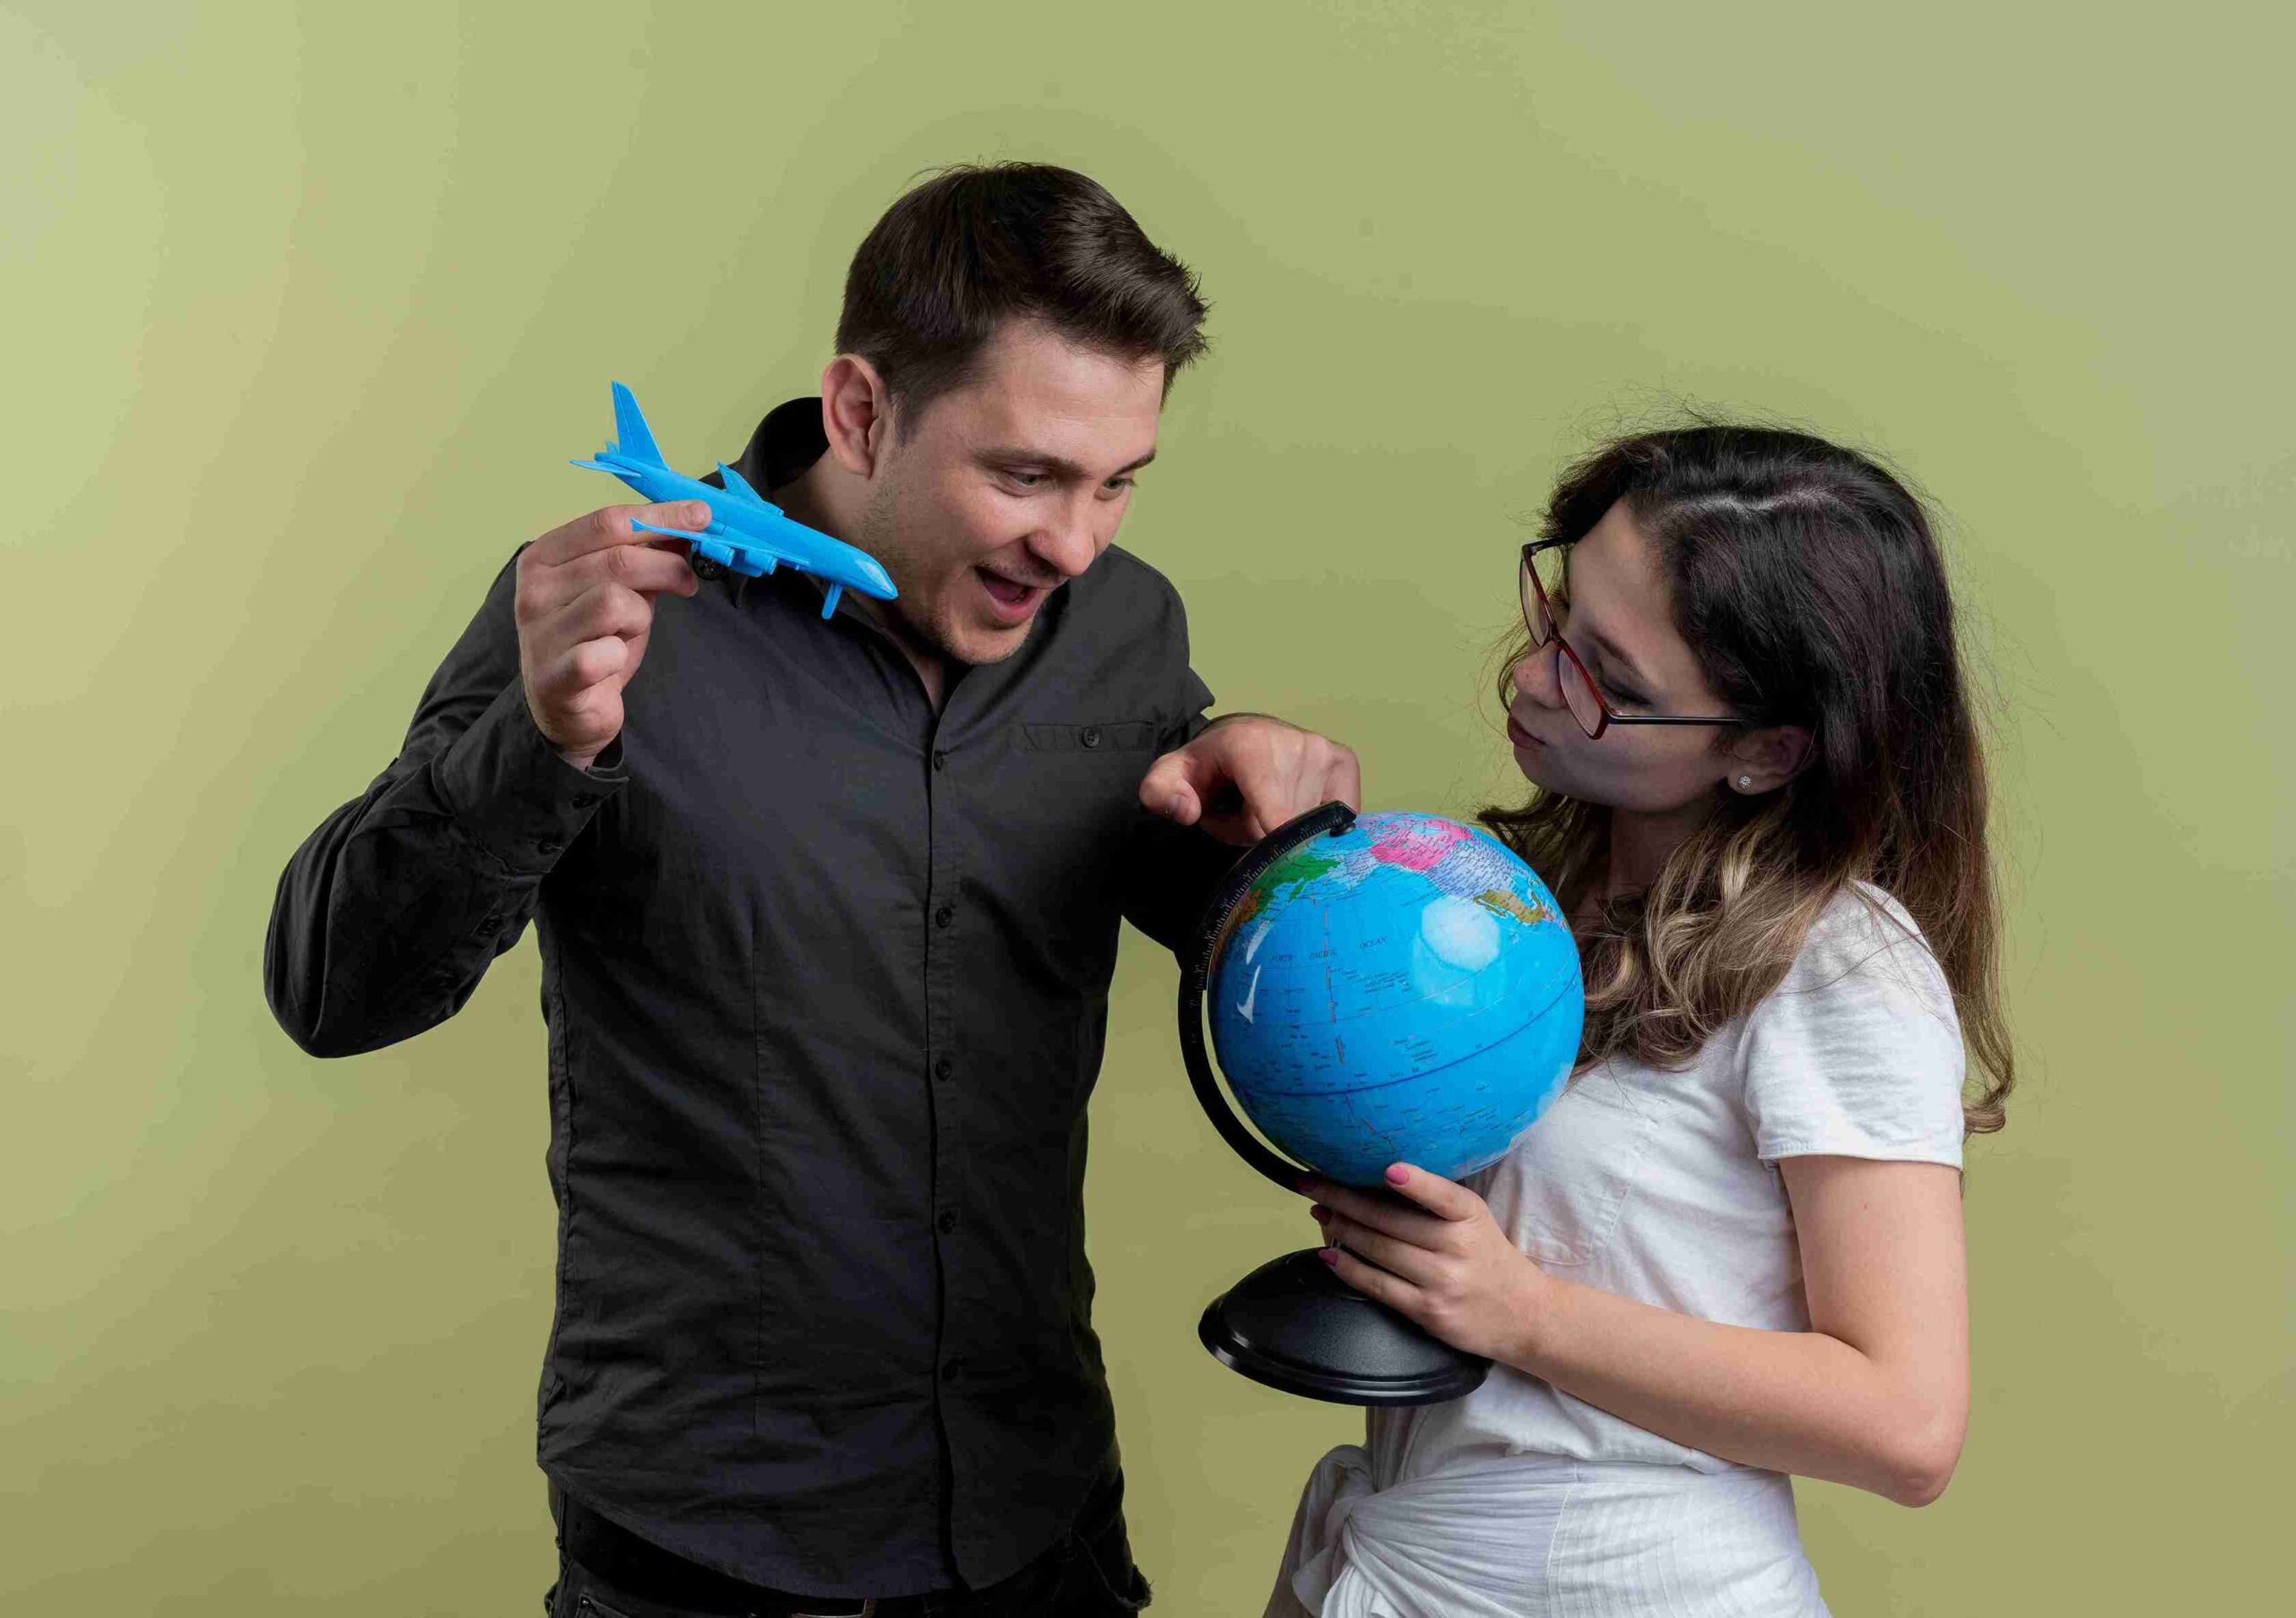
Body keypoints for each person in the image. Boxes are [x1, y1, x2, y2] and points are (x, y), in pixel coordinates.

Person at [263, 162, 1361, 1618]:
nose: (1075, 544)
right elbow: (335, 995)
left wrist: (1277, 823)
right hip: (712, 1545)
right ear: (858, 410)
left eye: (1116, 484)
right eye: (1025, 474)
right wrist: (537, 744)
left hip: (1040, 1521)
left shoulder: (1124, 628)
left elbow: (1220, 920)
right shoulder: (608, 619)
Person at [1270, 422, 2014, 1615]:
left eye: (1609, 682)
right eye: (1558, 616)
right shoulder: (1531, 905)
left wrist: (1528, 1312)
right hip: (1415, 1558)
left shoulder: (1841, 968)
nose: (1529, 677)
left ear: (1768, 752)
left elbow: (1908, 1423)